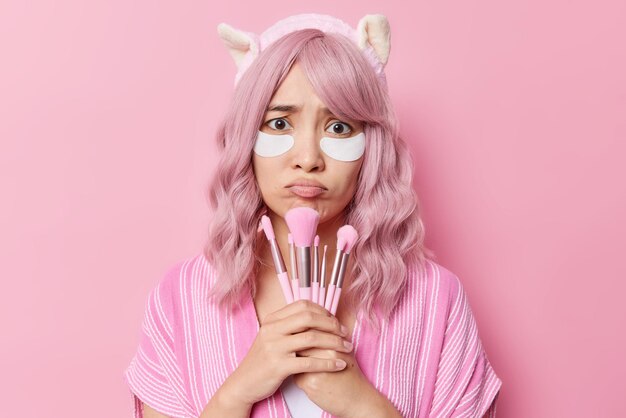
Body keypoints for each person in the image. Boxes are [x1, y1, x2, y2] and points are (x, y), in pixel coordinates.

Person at [123, 13, 502, 418]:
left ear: (370, 148)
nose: (307, 159)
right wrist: (237, 394)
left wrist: (361, 404)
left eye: (338, 128)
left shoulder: (434, 301)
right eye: (279, 123)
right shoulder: (182, 297)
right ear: (246, 141)